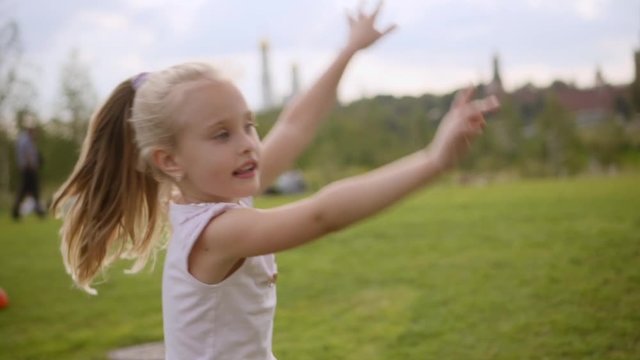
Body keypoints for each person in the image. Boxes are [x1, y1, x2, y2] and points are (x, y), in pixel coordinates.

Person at [52, 3, 499, 359]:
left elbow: (295, 125)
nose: (247, 143)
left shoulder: (214, 192)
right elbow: (321, 214)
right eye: (221, 134)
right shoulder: (216, 231)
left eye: (248, 125)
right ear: (170, 161)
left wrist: (348, 51)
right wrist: (431, 160)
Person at [12, 114, 46, 220]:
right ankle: (18, 212)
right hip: (28, 169)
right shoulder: (25, 140)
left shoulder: (27, 140)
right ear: (30, 130)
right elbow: (27, 155)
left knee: (29, 191)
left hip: (28, 169)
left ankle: (36, 212)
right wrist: (33, 165)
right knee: (29, 191)